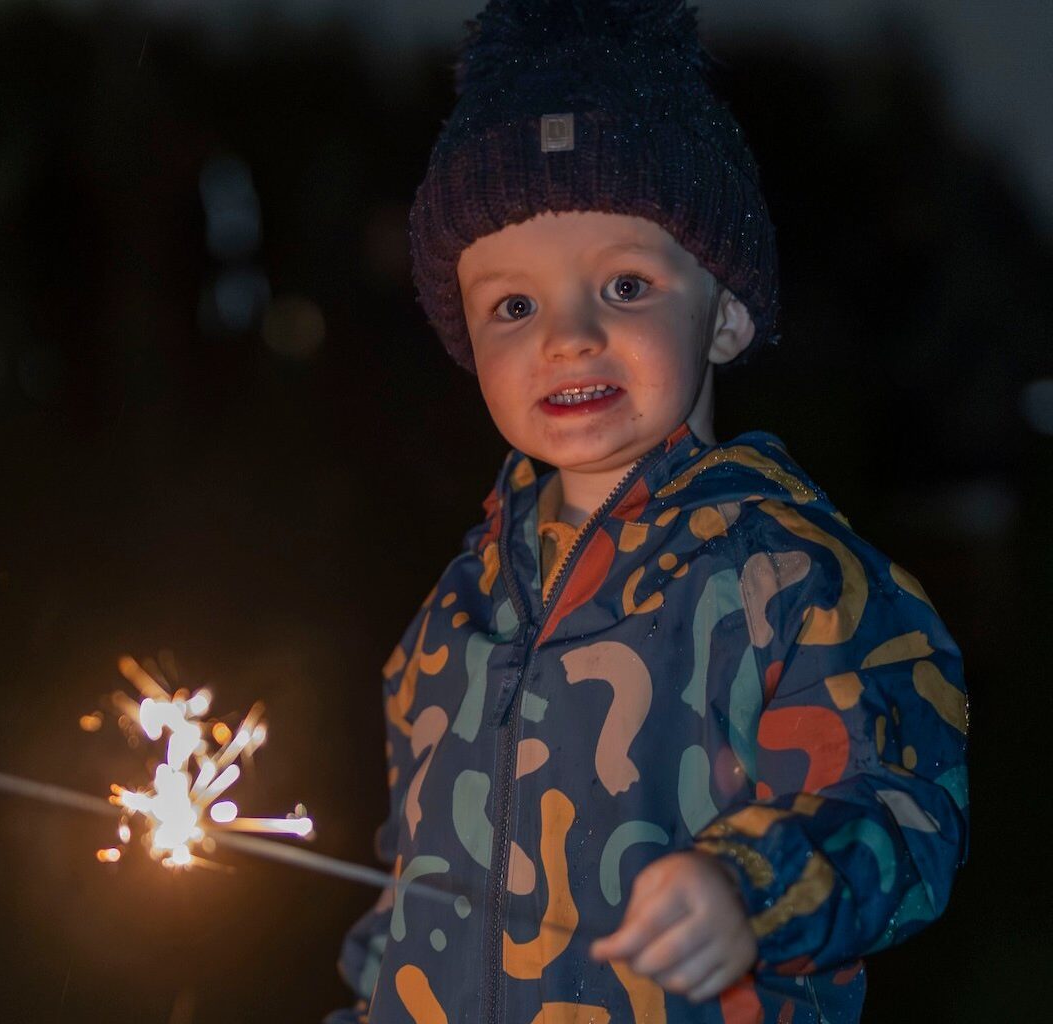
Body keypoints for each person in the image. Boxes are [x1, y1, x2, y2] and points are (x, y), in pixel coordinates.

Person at [327, 2, 969, 1021]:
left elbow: (903, 814)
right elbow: (404, 895)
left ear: (725, 312)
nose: (569, 337)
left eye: (624, 284)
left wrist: (747, 891)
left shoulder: (785, 578)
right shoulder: (451, 618)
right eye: (514, 306)